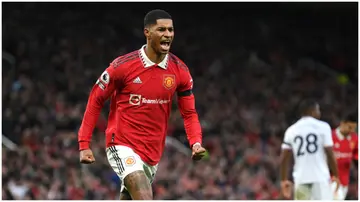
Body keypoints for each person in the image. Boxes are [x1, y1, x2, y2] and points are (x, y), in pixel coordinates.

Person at [77, 9, 206, 200]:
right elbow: (96, 99)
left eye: (170, 30)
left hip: (152, 153)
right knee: (144, 194)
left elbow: (189, 113)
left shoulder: (180, 71)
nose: (167, 35)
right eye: (161, 29)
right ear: (147, 32)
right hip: (121, 143)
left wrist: (195, 142)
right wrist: (84, 143)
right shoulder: (123, 66)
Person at [279, 99, 340, 200]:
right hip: (321, 178)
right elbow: (330, 153)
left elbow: (284, 158)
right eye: (318, 110)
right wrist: (336, 175)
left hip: (300, 178)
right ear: (312, 111)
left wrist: (283, 180)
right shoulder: (323, 127)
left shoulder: (291, 130)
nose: (319, 113)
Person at [331, 112, 358, 200]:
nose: (352, 131)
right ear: (342, 123)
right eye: (350, 127)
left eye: (354, 128)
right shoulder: (330, 137)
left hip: (345, 181)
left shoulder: (354, 139)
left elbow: (356, 159)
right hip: (330, 180)